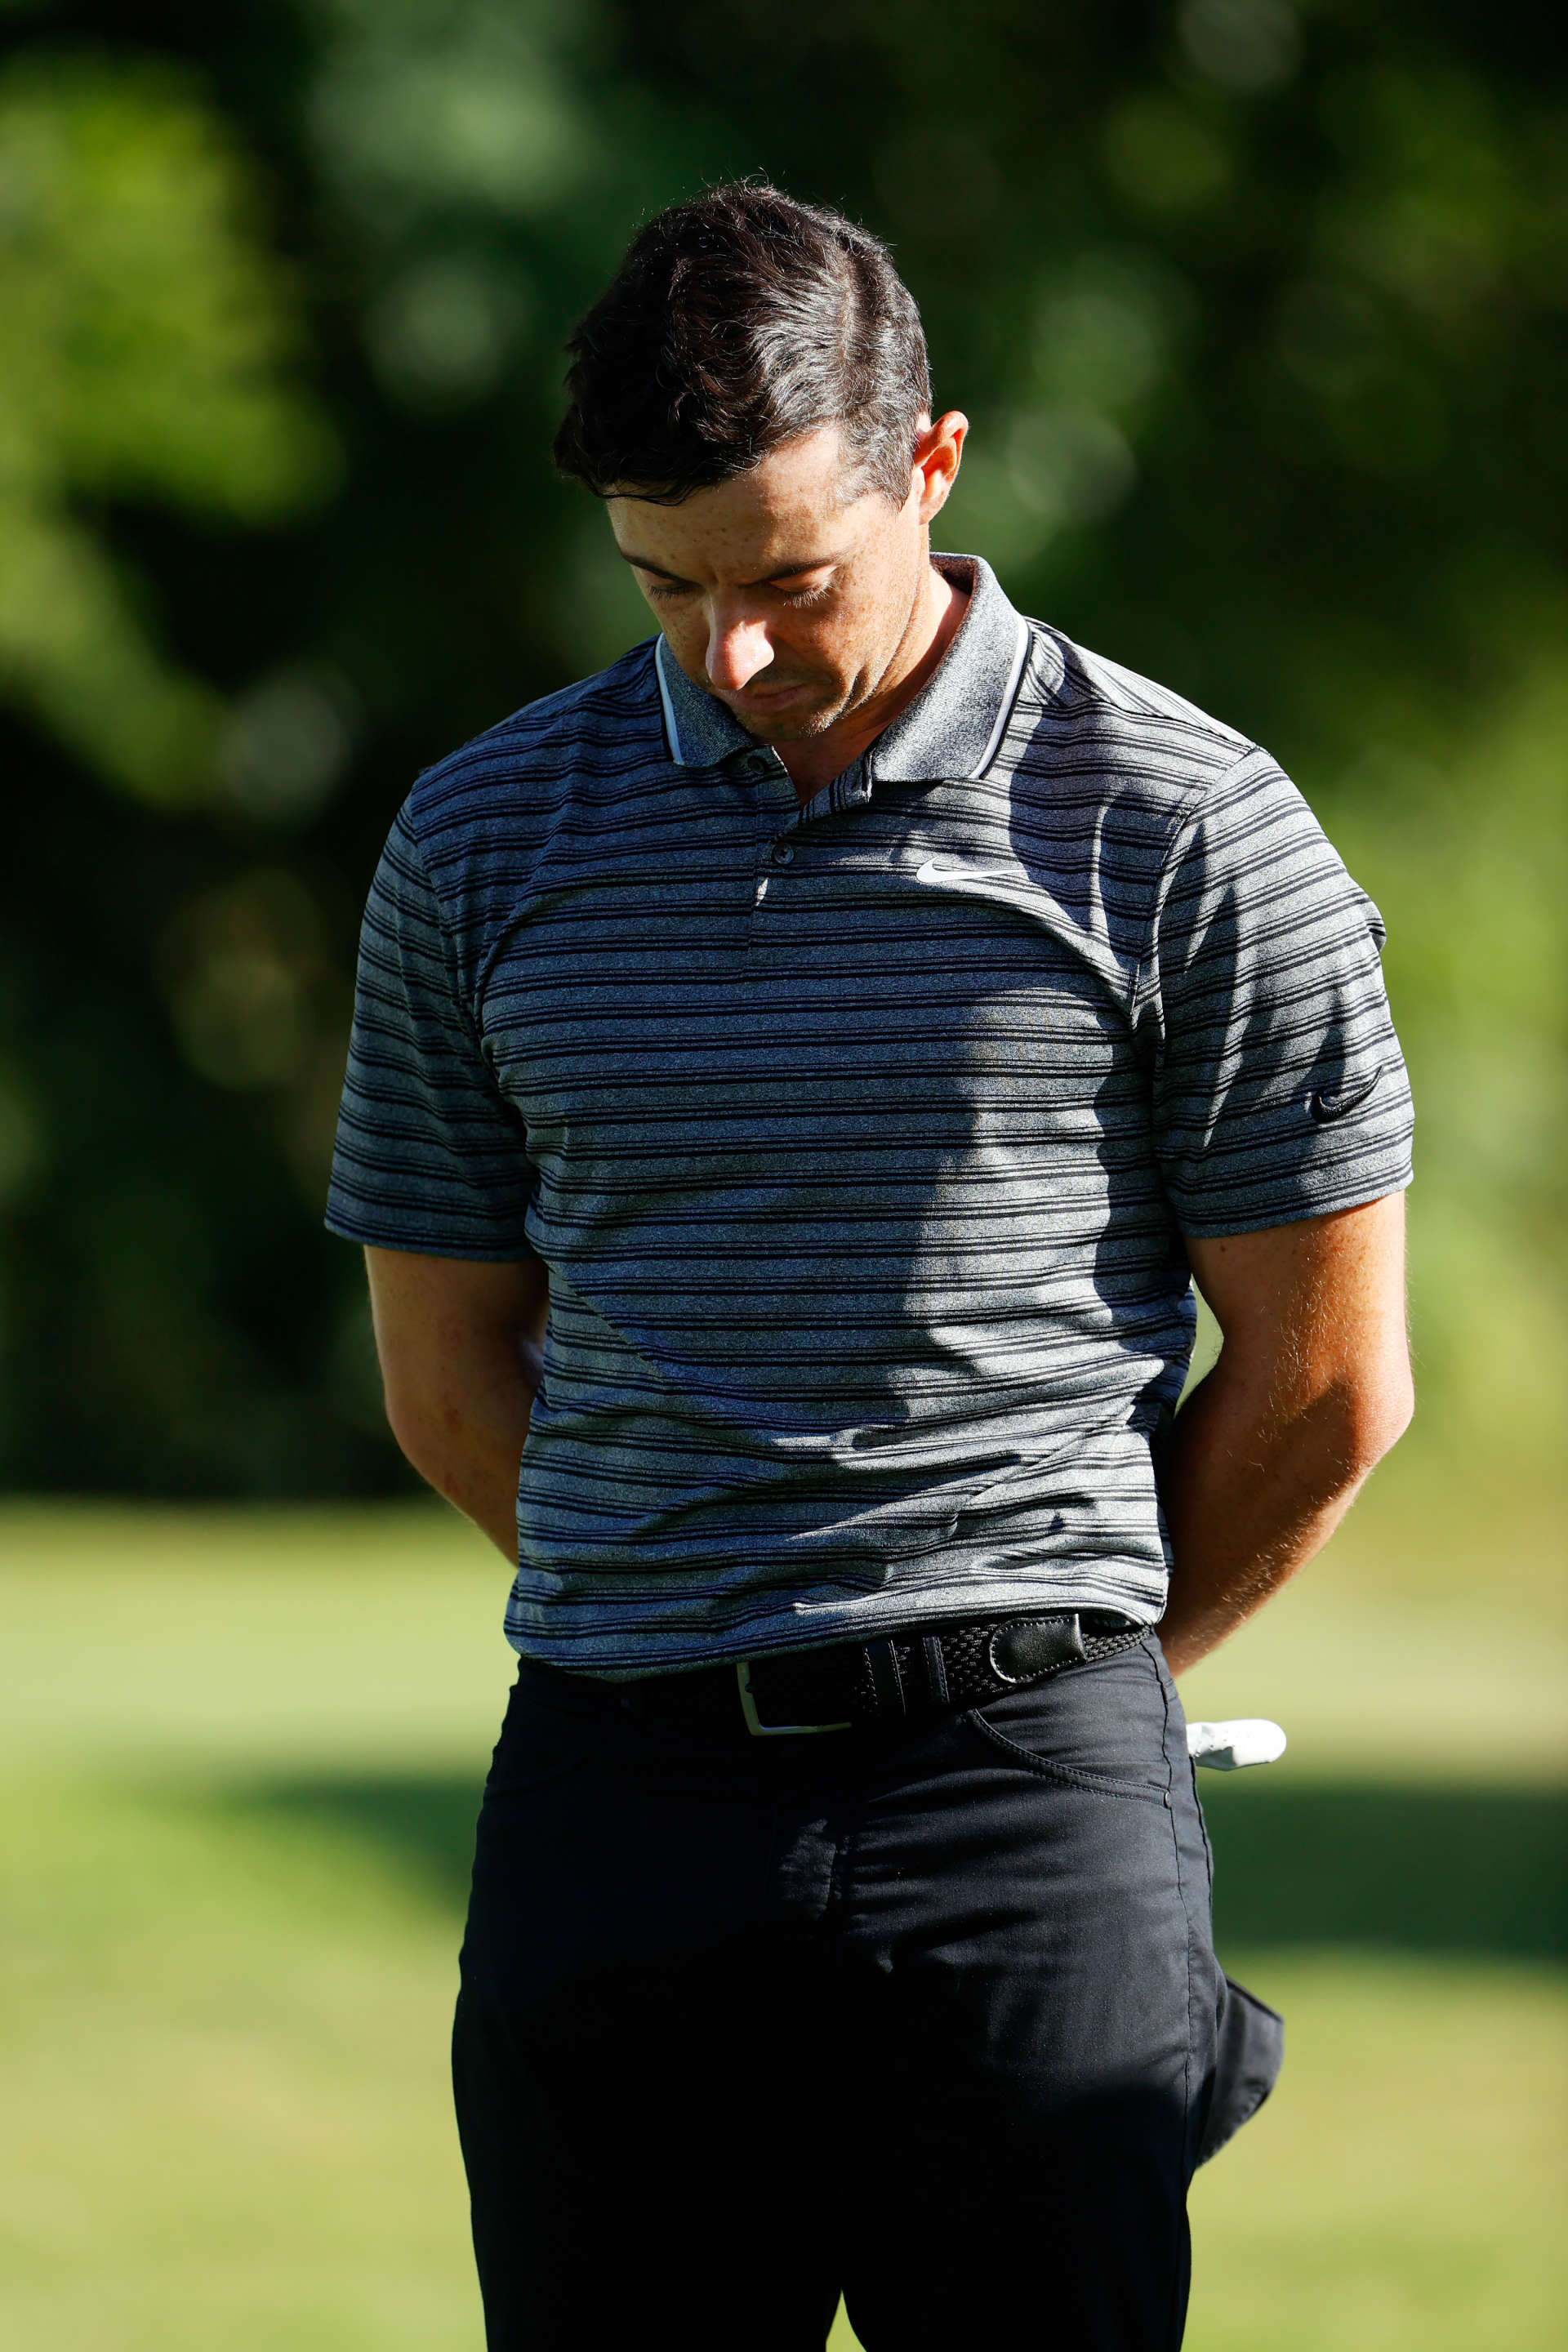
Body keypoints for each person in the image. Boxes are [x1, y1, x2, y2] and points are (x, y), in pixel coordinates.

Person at [325, 185, 1414, 2351]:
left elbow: (1324, 1384)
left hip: (1025, 1815)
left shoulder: (1187, 826)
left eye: (787, 579)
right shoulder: (479, 841)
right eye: (664, 587)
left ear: (933, 464)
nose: (727, 657)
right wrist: (695, 1604)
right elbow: (448, 1367)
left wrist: (1049, 1664)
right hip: (612, 1804)